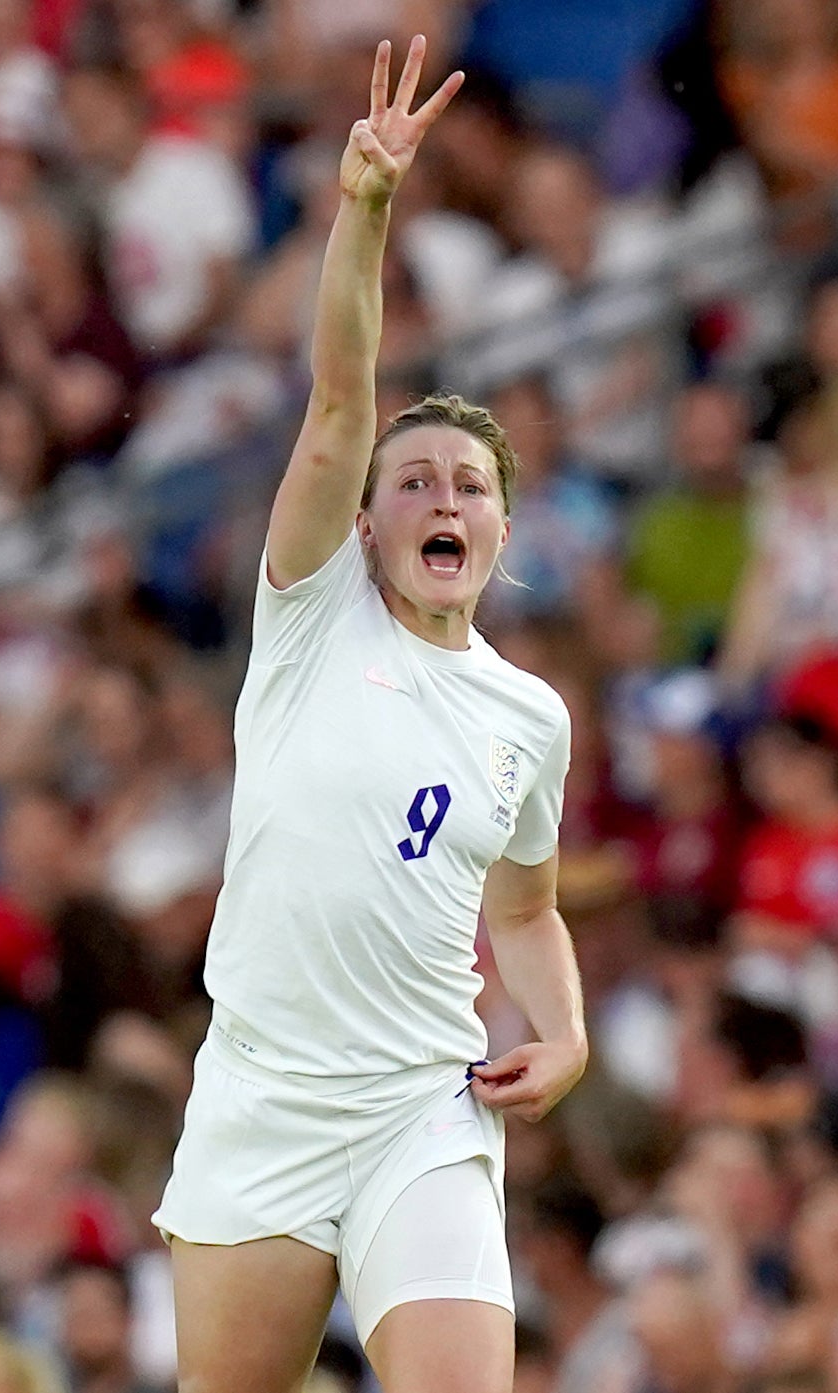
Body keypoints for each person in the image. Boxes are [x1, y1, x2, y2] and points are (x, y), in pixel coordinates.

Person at [151, 36, 587, 1393]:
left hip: (422, 1107)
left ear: (502, 528)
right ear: (362, 520)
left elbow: (523, 909)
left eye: (468, 482)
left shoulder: (527, 714)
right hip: (265, 1100)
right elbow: (342, 395)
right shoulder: (308, 614)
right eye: (411, 481)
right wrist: (368, 206)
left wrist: (562, 1031)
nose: (440, 497)